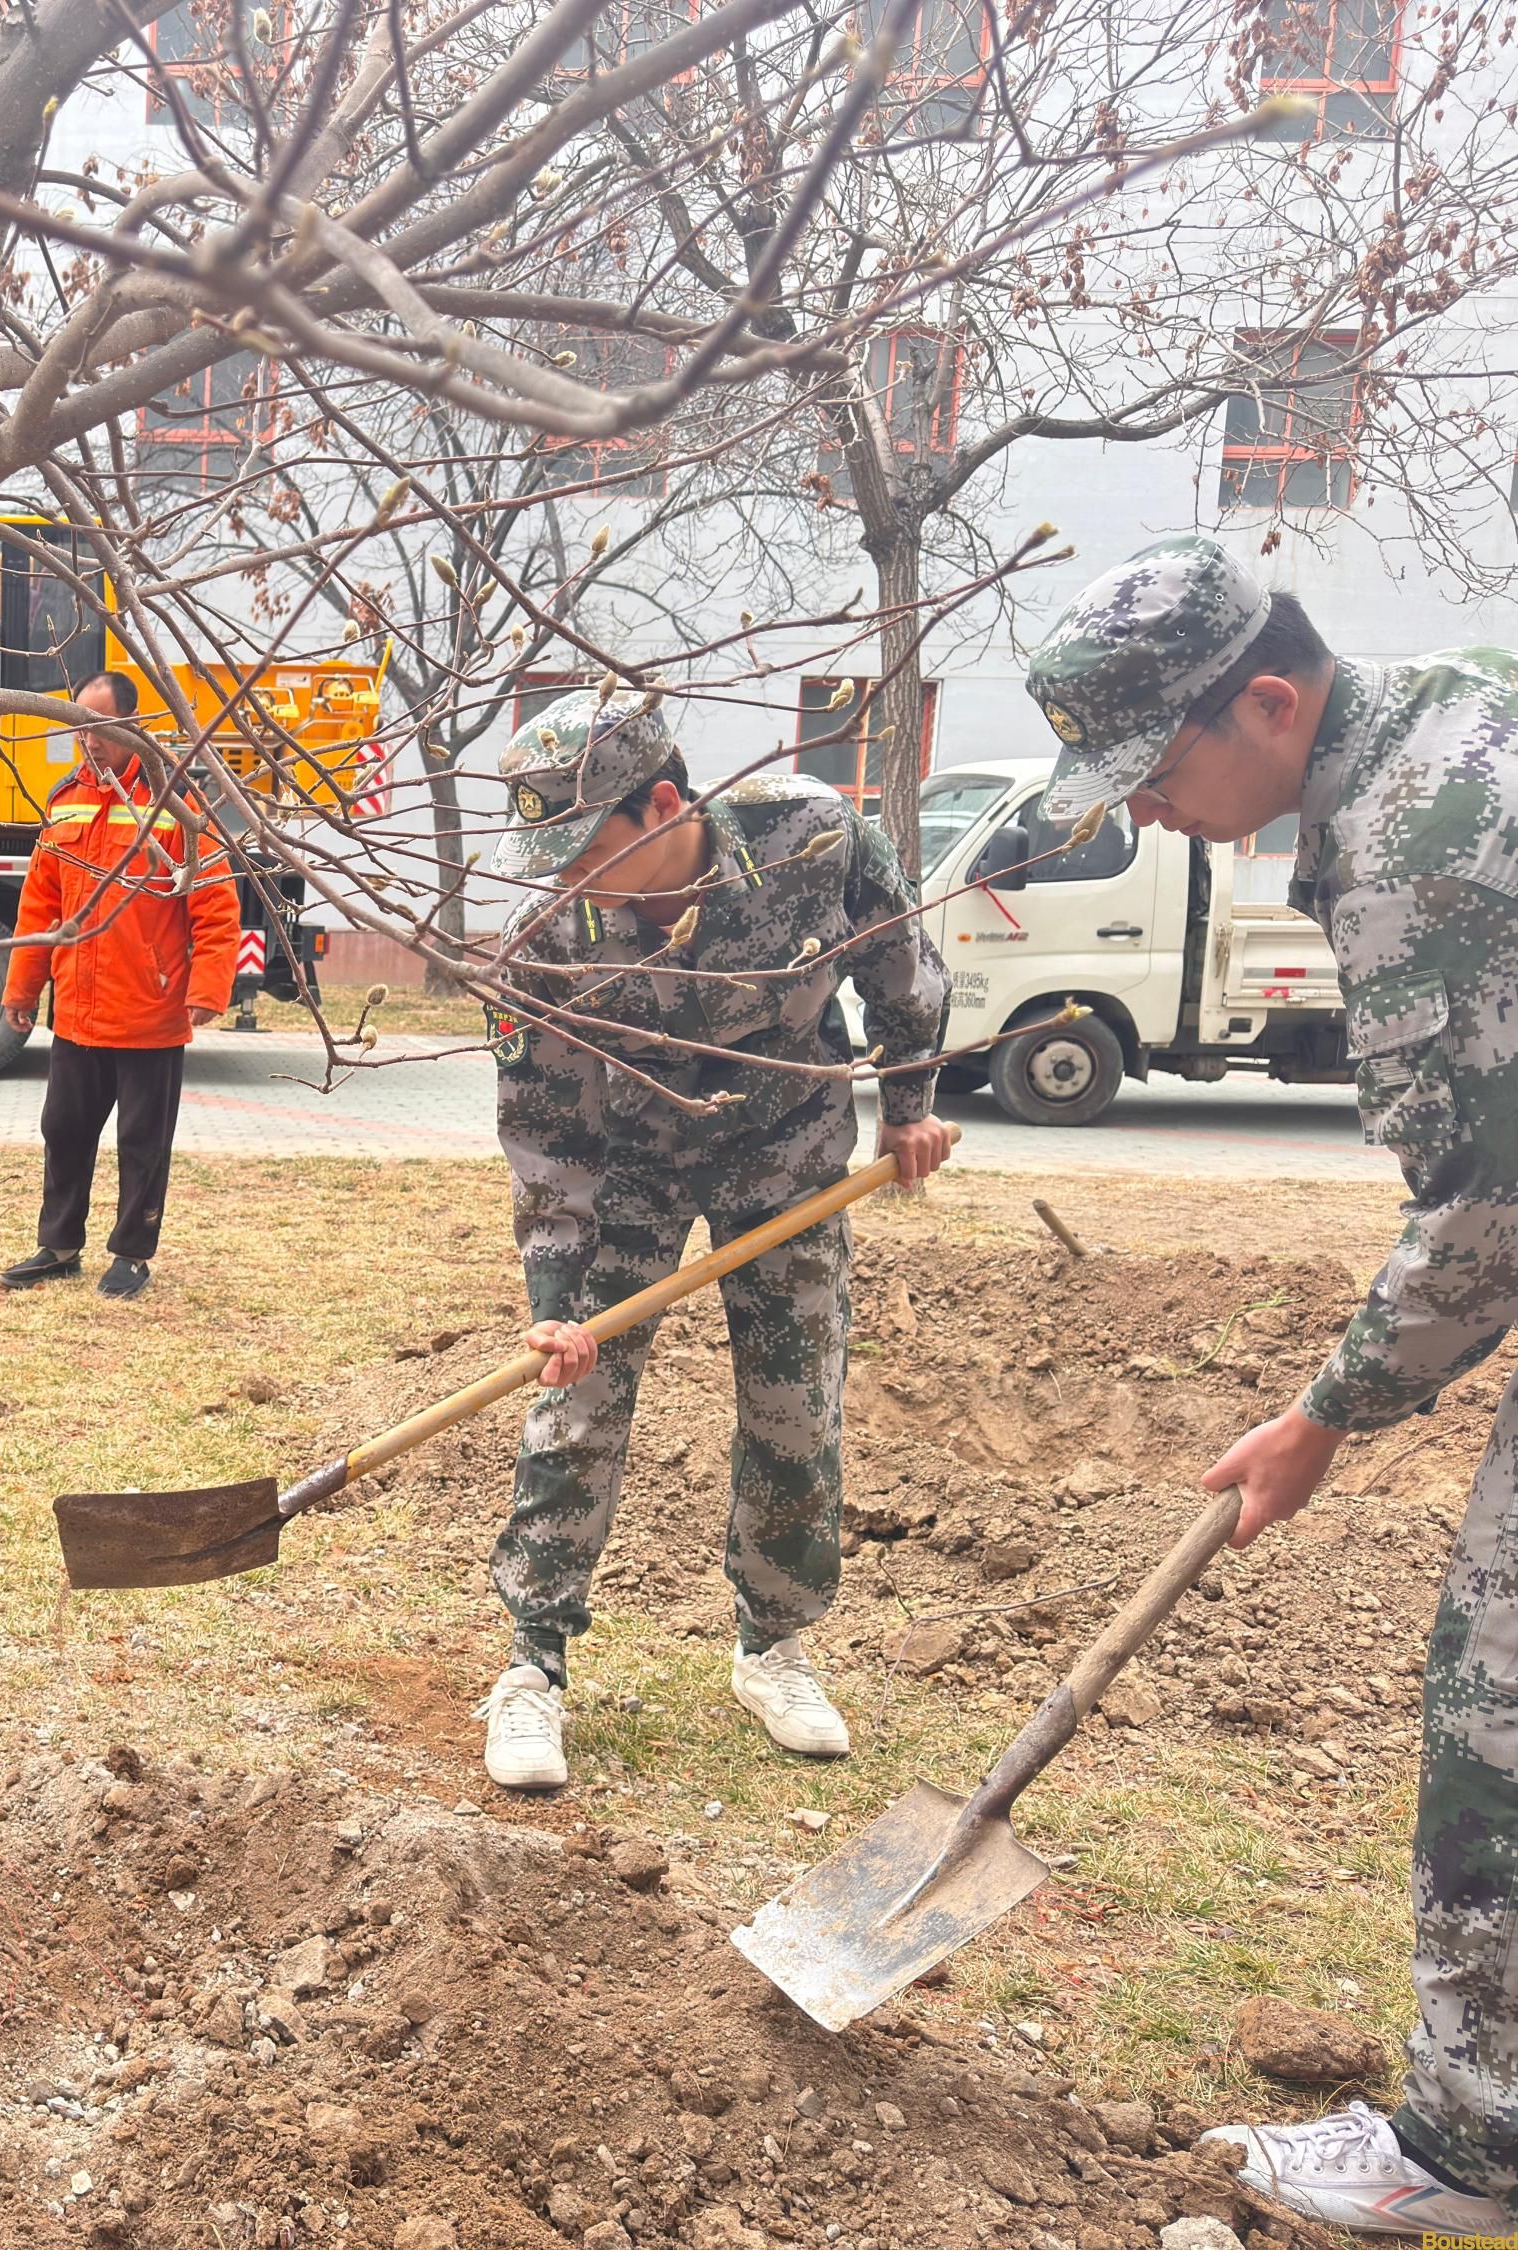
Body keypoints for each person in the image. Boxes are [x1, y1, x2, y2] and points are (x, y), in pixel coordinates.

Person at [1025, 536, 1518, 2236]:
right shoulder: (1460, 711)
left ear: (1271, 701)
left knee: (1501, 1708)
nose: (1147, 812)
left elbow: (1485, 1211)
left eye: (1157, 770)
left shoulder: (1424, 855)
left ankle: (1472, 2153)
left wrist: (1325, 1419)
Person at [478, 688, 951, 1791]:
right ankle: (532, 1667)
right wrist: (556, 1291)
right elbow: (546, 1134)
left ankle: (772, 1644)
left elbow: (903, 974)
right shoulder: (544, 938)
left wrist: (913, 1106)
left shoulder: (813, 839)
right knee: (575, 1407)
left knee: (795, 1413)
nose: (564, 876)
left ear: (660, 804)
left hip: (786, 1160)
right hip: (629, 1174)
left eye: (584, 846)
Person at [0, 669, 239, 1302]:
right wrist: (22, 988)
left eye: (99, 728)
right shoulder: (65, 799)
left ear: (132, 728)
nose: (87, 740)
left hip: (149, 1011)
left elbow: (215, 904)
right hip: (77, 1010)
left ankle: (132, 1254)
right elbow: (39, 906)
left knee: (141, 1142)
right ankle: (59, 1245)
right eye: (79, 726)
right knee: (64, 1129)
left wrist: (208, 989)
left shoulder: (177, 804)